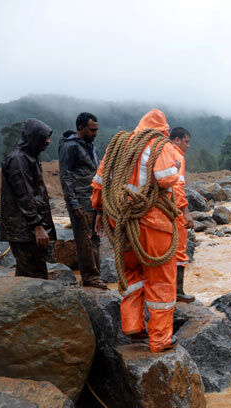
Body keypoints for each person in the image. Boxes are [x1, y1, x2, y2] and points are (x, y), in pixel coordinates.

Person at [91, 109, 181, 353]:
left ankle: (133, 326)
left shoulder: (117, 144)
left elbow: (99, 182)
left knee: (132, 273)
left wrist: (99, 211)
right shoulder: (160, 144)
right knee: (160, 278)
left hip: (120, 221)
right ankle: (160, 339)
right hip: (152, 222)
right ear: (163, 130)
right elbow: (165, 178)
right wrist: (177, 161)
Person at [0, 119, 56, 279]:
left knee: (26, 275)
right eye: (43, 137)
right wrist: (37, 226)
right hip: (24, 230)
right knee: (36, 277)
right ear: (32, 137)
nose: (48, 141)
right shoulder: (18, 160)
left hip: (27, 229)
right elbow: (24, 195)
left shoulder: (30, 157)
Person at [58, 112, 107, 289]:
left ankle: (96, 275)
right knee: (84, 240)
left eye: (96, 130)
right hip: (80, 201)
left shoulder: (89, 146)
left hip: (92, 200)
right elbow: (65, 177)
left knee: (95, 238)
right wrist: (73, 203)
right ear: (81, 128)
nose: (95, 133)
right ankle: (89, 277)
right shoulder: (69, 147)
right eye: (92, 130)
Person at [169, 127, 196, 303]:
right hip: (174, 210)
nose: (188, 145)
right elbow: (177, 187)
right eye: (186, 141)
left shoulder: (163, 152)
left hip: (160, 210)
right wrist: (185, 212)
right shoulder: (177, 155)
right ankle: (177, 291)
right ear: (177, 140)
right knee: (179, 250)